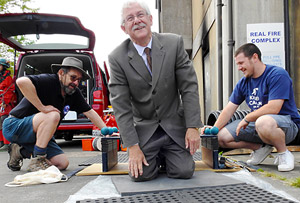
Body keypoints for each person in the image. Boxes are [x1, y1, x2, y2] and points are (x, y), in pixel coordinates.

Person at [108, 0, 203, 181]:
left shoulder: (173, 44)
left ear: (151, 19)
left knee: (184, 171)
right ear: (124, 28)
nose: (137, 21)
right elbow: (121, 105)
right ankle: (155, 155)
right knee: (140, 175)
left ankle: (169, 157)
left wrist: (192, 127)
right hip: (145, 128)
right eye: (130, 18)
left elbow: (189, 86)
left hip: (173, 125)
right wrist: (132, 147)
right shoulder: (117, 58)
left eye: (140, 15)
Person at [3, 57, 107, 172]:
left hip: (37, 135)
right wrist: (42, 108)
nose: (76, 82)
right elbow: (21, 81)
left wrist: (106, 131)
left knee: (62, 163)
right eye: (73, 77)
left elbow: (90, 112)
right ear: (61, 73)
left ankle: (19, 151)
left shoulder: (73, 93)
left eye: (78, 79)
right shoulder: (49, 80)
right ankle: (38, 160)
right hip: (14, 126)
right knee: (53, 115)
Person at [212, 43, 300, 172]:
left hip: (287, 125)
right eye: (237, 64)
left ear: (254, 57)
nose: (239, 68)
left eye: (241, 63)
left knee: (263, 122)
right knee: (221, 137)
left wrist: (248, 118)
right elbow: (229, 109)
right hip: (259, 125)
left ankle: (284, 154)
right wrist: (213, 130)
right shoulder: (244, 82)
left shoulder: (277, 74)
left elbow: (274, 107)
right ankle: (260, 148)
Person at [0, 59, 15, 151]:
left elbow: (9, 91)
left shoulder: (8, 78)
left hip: (4, 103)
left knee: (4, 120)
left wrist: (5, 102)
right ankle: (1, 141)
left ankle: (7, 142)